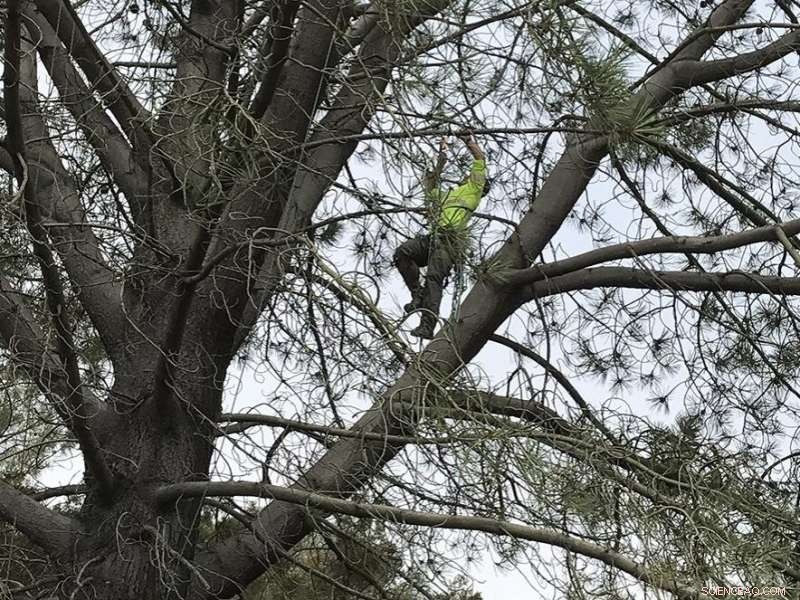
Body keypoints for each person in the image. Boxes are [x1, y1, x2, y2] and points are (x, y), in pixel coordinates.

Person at [393, 133, 489, 339]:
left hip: (449, 241)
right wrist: (441, 159)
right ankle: (417, 294)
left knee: (434, 278)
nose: (466, 176)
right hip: (433, 238)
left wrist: (467, 141)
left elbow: (480, 160)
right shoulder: (449, 195)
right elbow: (432, 185)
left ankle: (427, 325)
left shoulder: (474, 190)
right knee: (403, 252)